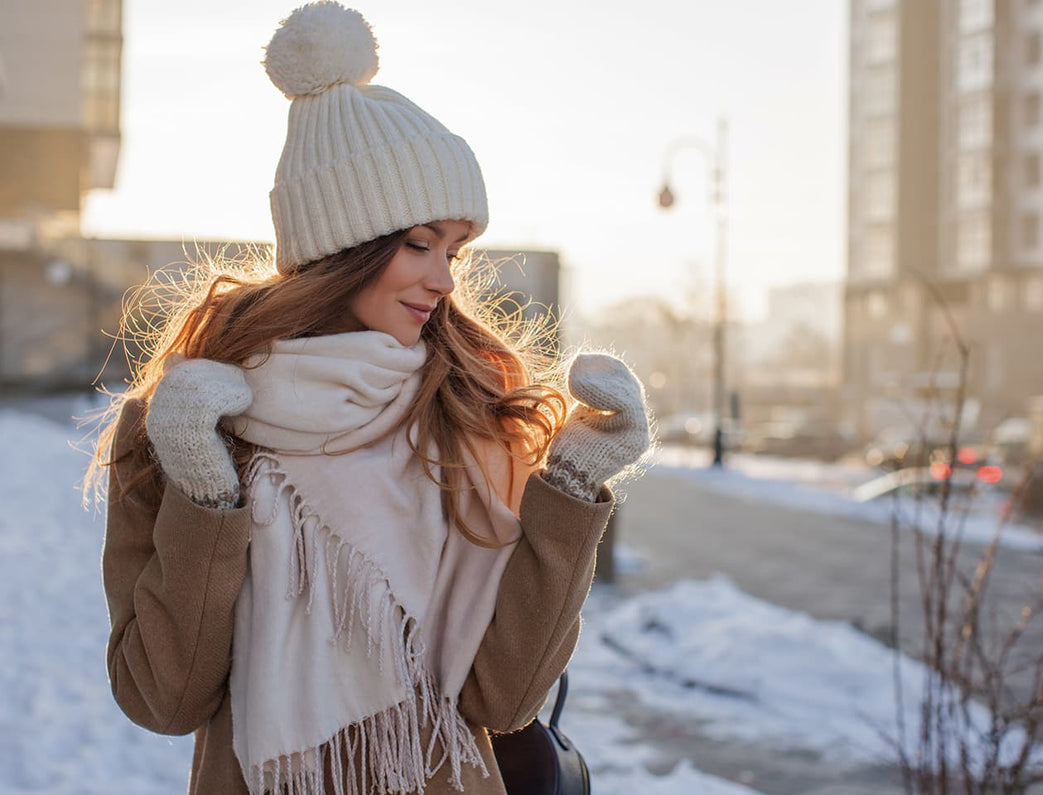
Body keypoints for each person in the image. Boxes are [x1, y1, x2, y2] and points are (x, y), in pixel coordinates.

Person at [89, 3, 650, 794]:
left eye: (453, 250)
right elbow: (163, 695)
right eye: (418, 244)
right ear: (341, 248)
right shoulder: (187, 423)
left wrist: (573, 482)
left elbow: (506, 696)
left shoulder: (466, 412)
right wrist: (205, 489)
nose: (445, 279)